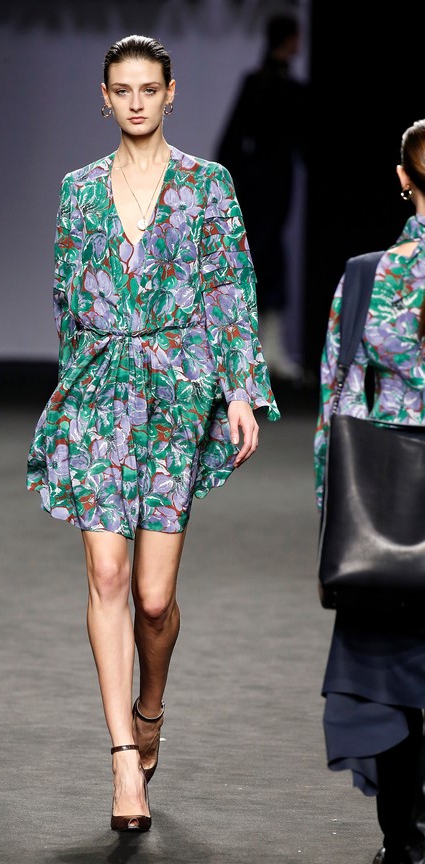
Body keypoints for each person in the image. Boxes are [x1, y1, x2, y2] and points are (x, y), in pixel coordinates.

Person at [27, 34, 280, 832]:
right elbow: (67, 296)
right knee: (107, 575)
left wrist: (240, 392)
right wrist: (74, 396)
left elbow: (232, 289)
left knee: (154, 597)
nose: (136, 102)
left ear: (171, 93)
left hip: (175, 396)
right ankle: (122, 762)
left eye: (148, 88)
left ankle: (151, 706)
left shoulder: (209, 185)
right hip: (100, 394)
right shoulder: (77, 191)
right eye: (122, 89)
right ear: (104, 98)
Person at [313, 119, 425, 864]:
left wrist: (333, 523)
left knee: (393, 681)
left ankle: (406, 844)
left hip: (387, 517)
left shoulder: (367, 279)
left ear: (402, 179)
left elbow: (339, 414)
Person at [215, 13, 309, 381]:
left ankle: (267, 351)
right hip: (261, 187)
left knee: (265, 260)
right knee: (257, 261)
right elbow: (233, 139)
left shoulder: (279, 86)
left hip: (267, 186)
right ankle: (251, 353)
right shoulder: (265, 84)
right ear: (289, 40)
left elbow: (232, 141)